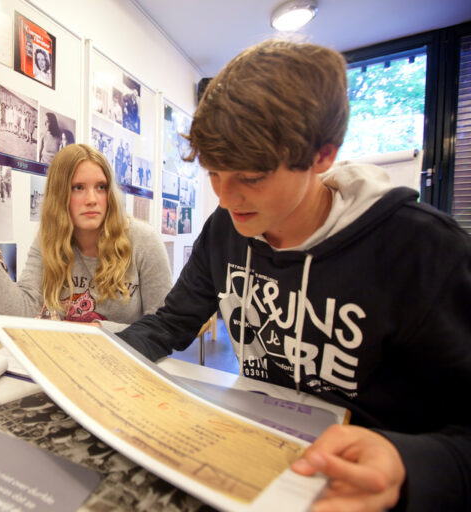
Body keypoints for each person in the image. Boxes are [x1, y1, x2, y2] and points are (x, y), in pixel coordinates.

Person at [117, 40, 471, 511]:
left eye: (252, 177)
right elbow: (169, 323)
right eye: (214, 174)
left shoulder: (423, 249)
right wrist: (94, 360)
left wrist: (409, 464)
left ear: (323, 156)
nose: (226, 198)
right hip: (258, 459)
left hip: (363, 486)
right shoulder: (225, 230)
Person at [0, 143, 172, 332]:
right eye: (78, 188)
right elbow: (21, 311)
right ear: (60, 194)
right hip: (69, 366)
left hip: (127, 367)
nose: (92, 199)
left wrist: (96, 330)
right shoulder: (50, 240)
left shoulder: (143, 241)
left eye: (101, 187)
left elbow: (163, 327)